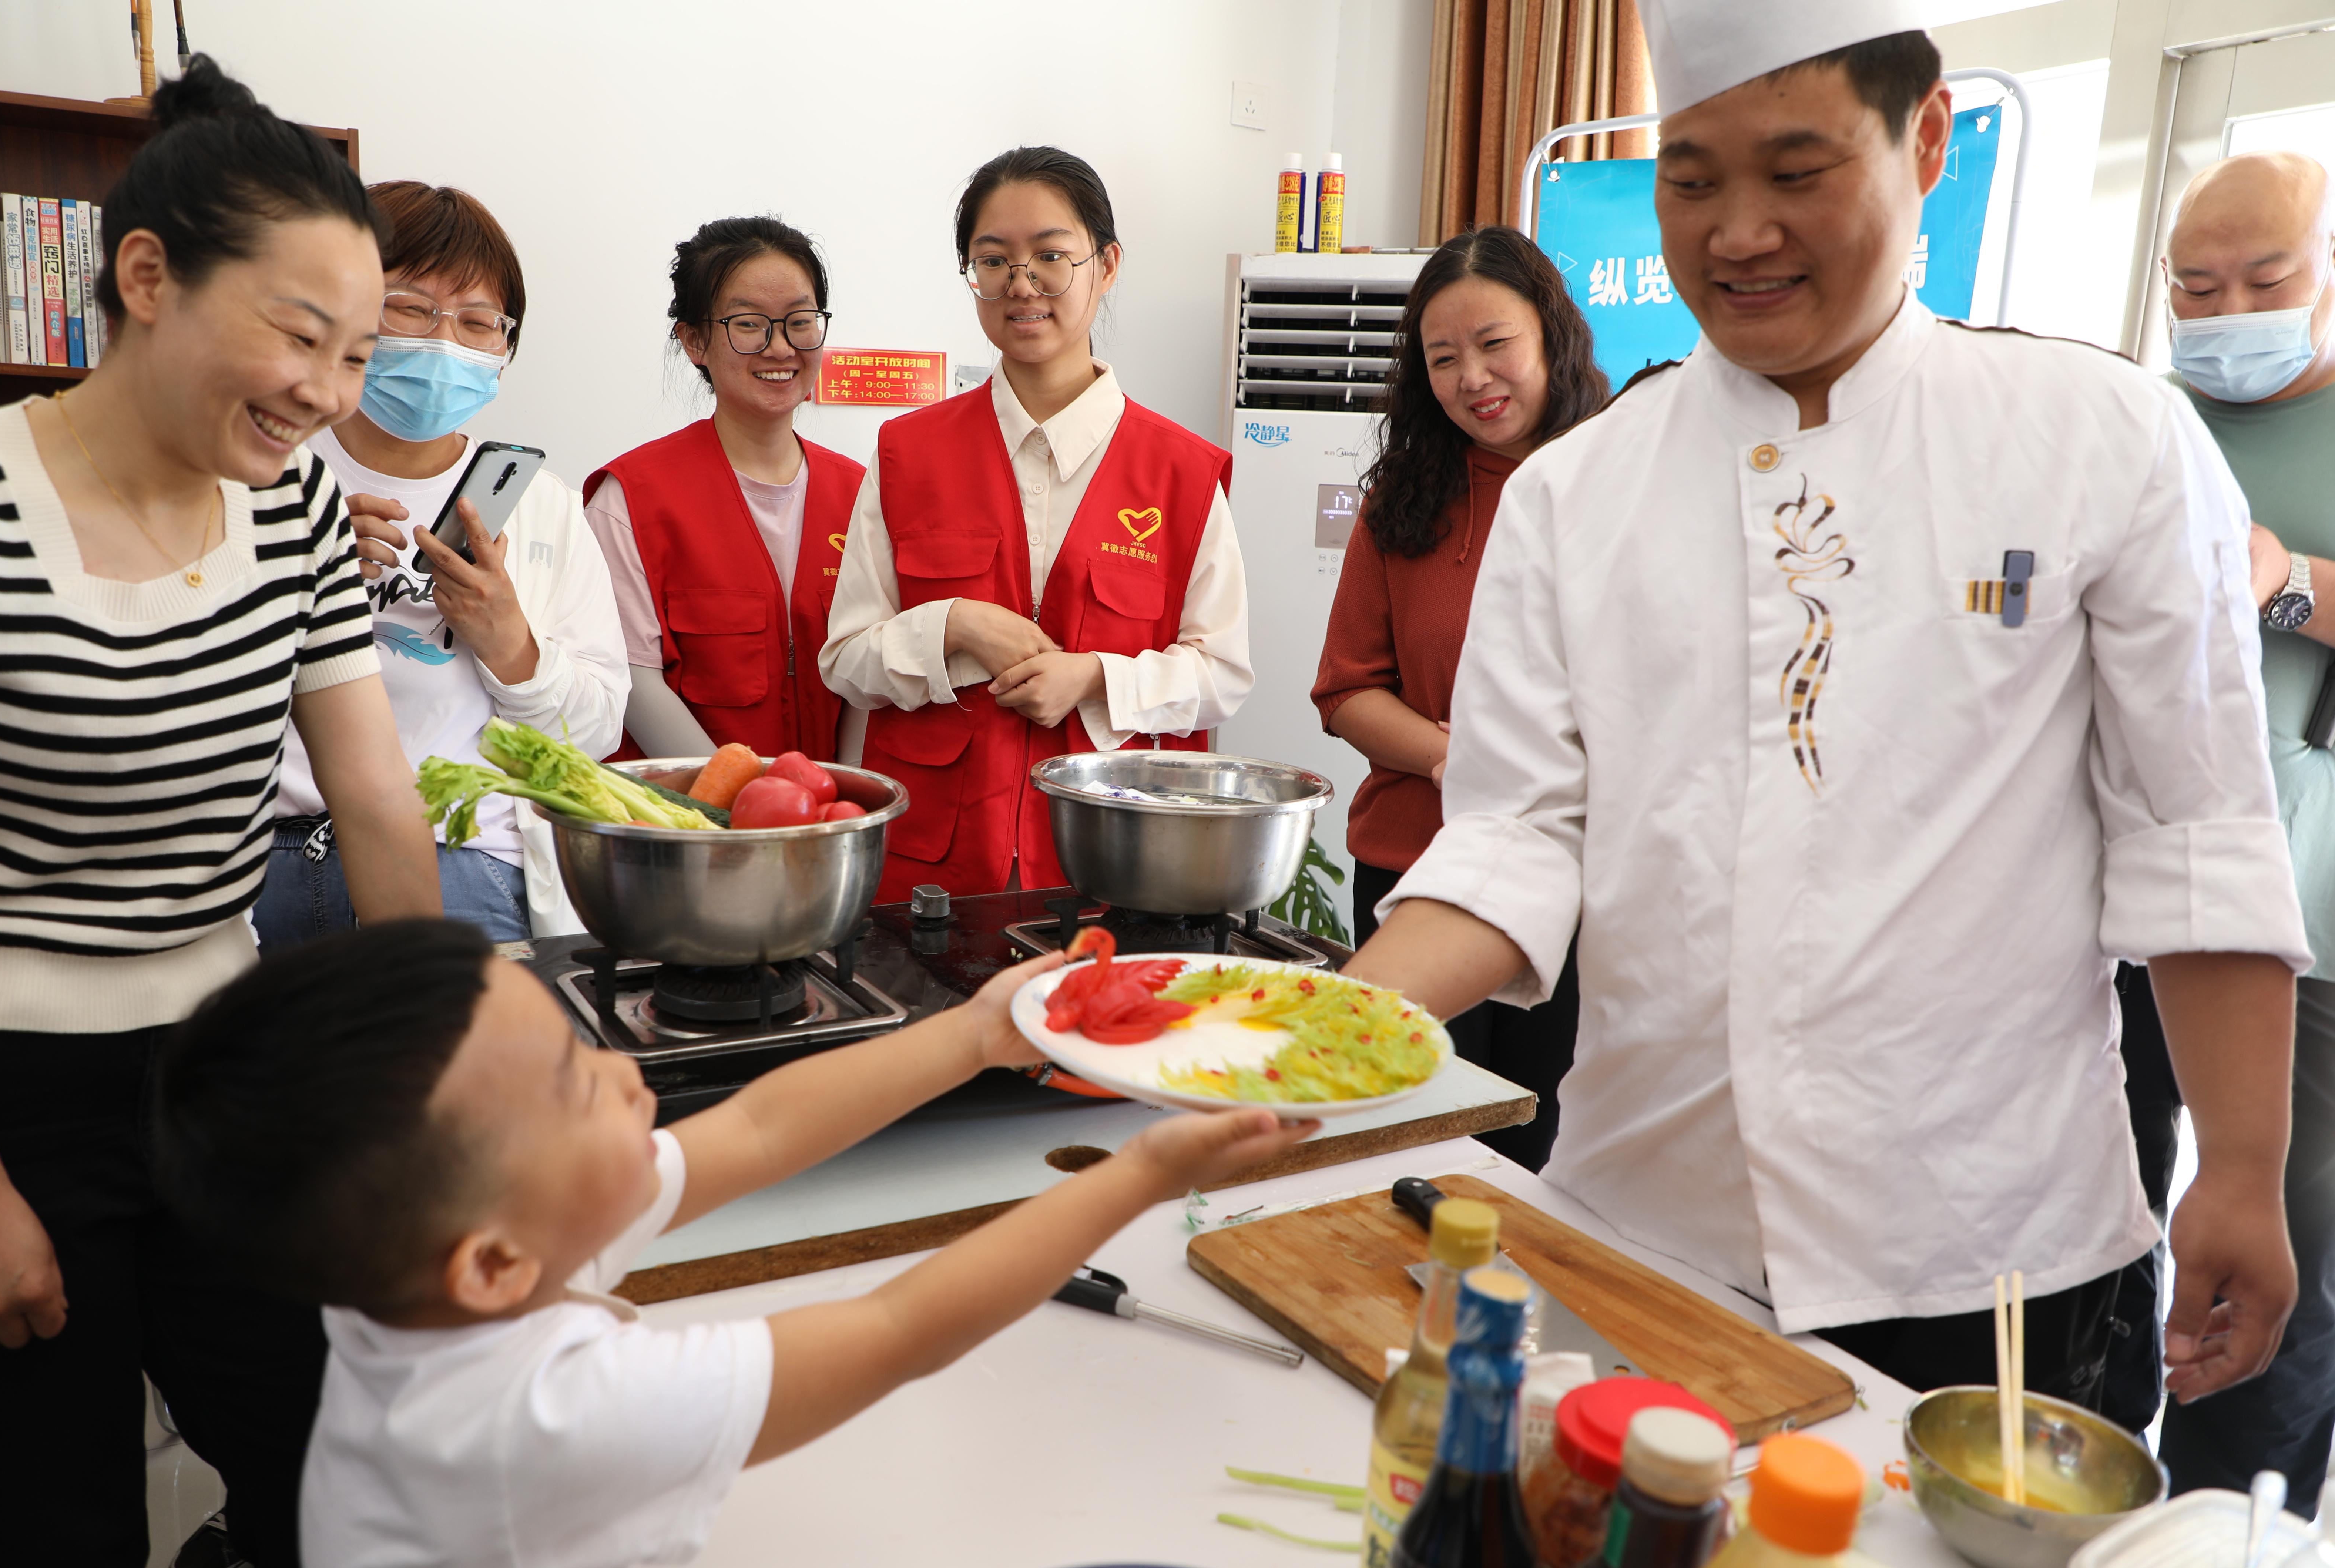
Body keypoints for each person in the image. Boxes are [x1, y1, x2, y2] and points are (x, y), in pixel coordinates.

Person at [1341, 4, 2308, 1414]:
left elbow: (2195, 827)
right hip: (1643, 1224)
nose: (1737, 232)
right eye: (1691, 180)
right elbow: (1513, 843)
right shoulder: (1572, 494)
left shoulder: (2102, 437)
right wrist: (1312, 1040)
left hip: (1992, 1251)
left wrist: (2240, 1164)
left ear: (1924, 140)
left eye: (1796, 173)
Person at [0, 57, 438, 1568]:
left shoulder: (300, 516)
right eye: (300, 338)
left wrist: (438, 1091)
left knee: (335, 1477)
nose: (328, 391)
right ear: (147, 277)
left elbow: (377, 805)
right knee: (56, 1538)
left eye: (359, 355)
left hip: (219, 1066)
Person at [148, 920, 1315, 1568]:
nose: (617, 1070)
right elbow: (898, 1327)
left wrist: (973, 1037)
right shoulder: (528, 1418)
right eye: (570, 1084)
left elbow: (755, 1126)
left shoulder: (427, 1276)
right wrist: (1141, 1175)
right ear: (493, 1264)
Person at [821, 146, 1253, 901]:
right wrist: (952, 626)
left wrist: (1094, 678)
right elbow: (846, 657)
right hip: (935, 872)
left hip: (1117, 858)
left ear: (1107, 264)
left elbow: (1222, 674)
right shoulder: (907, 454)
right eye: (994, 262)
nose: (1022, 285)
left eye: (1051, 256)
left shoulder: (1181, 473)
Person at [260, 180, 627, 948]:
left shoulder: (545, 509)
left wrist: (511, 646)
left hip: (463, 853)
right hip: (268, 852)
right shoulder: (263, 477)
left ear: (505, 346)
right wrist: (292, 577)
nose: (443, 342)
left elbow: (595, 730)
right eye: (411, 308)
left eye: (477, 321)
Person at [1312, 224, 1607, 1172]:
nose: (1473, 377)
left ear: (1551, 335)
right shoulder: (1403, 500)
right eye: (1444, 359)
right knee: (1400, 1145)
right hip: (1409, 870)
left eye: (1495, 345)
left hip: (1575, 889)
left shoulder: (1617, 487)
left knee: (1533, 1155)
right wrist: (1458, 756)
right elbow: (1347, 689)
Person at [2147, 150, 2335, 1511]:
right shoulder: (2146, 423)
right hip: (2129, 898)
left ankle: (2230, 1545)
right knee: (2091, 1226)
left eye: (2264, 281)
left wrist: (2283, 585)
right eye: (2196, 290)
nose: (2229, 312)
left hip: (2310, 931)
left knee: (2283, 1252)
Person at [589, 217, 865, 765]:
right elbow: (633, 683)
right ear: (694, 340)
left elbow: (869, 677)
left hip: (827, 827)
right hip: (684, 827)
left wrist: (845, 808)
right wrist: (742, 812)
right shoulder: (630, 501)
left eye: (800, 321)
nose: (781, 347)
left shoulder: (864, 495)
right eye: (748, 324)